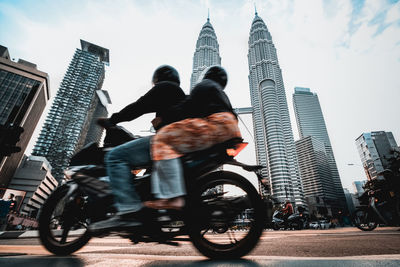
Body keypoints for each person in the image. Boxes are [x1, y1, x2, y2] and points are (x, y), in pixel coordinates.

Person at [90, 65, 186, 232]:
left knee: (114, 156)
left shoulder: (165, 88)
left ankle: (128, 210)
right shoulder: (178, 94)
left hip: (167, 140)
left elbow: (139, 107)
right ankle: (151, 212)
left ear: (158, 78)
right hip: (176, 142)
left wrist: (113, 120)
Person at [143, 66, 242, 210]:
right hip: (232, 130)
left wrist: (164, 119)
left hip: (214, 124)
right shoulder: (221, 94)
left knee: (162, 138)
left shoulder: (205, 85)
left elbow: (188, 107)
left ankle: (173, 197)